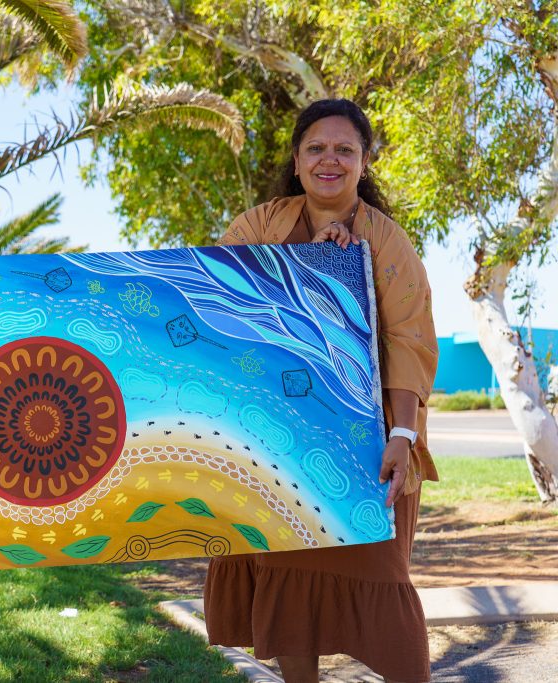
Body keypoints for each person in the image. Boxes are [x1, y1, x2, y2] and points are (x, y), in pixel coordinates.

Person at [208, 99, 438, 683]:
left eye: (345, 149)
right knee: (288, 576)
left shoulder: (387, 241)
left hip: (369, 445)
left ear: (364, 162)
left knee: (383, 579)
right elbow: (221, 308)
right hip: (278, 444)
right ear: (296, 158)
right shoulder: (258, 226)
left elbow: (411, 340)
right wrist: (309, 265)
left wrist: (403, 435)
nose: (329, 160)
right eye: (316, 148)